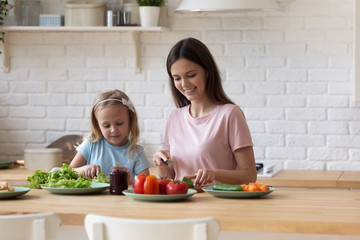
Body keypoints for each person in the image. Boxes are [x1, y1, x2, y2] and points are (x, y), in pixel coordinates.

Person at [152, 37, 257, 187]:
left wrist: (214, 174)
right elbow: (170, 178)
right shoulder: (174, 117)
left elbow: (249, 175)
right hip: (181, 205)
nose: (184, 84)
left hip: (219, 206)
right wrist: (162, 165)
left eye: (191, 75)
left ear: (207, 71)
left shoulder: (230, 114)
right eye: (177, 78)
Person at [70, 89, 150, 185]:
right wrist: (83, 170)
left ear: (130, 120)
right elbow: (69, 172)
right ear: (97, 125)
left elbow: (147, 184)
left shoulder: (137, 152)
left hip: (122, 199)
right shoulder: (91, 144)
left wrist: (130, 182)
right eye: (106, 126)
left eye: (119, 123)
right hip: (91, 199)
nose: (113, 130)